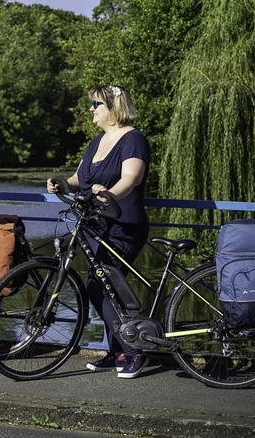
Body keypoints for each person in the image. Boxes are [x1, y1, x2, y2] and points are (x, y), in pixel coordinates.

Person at [47, 85, 151, 379]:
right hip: (94, 225)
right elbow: (80, 178)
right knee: (102, 286)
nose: (91, 109)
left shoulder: (133, 139)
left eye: (95, 104)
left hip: (122, 225)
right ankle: (117, 351)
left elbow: (131, 178)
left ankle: (135, 352)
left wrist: (109, 194)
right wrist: (60, 183)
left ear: (112, 108)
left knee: (103, 287)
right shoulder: (97, 142)